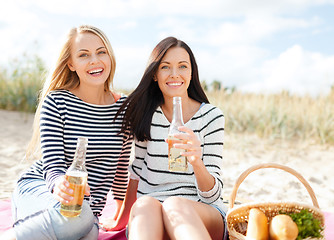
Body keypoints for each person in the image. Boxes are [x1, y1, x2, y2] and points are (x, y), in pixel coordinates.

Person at [1, 25, 133, 240]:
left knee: (90, 231)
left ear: (110, 56)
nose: (94, 60)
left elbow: (120, 168)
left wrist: (121, 214)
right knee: (80, 219)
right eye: (83, 55)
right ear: (71, 64)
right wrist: (59, 183)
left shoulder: (125, 107)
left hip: (86, 213)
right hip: (42, 190)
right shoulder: (56, 101)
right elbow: (53, 166)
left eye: (101, 52)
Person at [100, 37, 227, 240]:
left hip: (201, 213)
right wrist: (121, 218)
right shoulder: (146, 115)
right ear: (155, 75)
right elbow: (136, 172)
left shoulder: (211, 117)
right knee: (145, 204)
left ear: (191, 72)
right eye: (165, 67)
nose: (174, 74)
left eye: (182, 66)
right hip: (153, 213)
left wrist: (196, 161)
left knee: (174, 205)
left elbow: (212, 195)